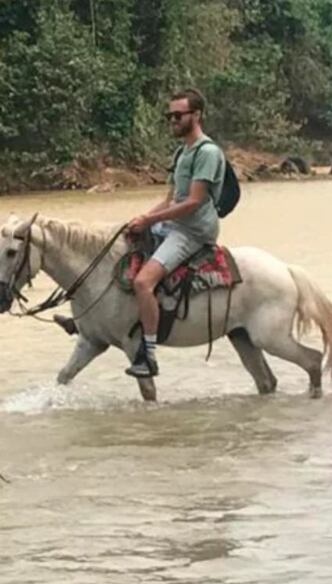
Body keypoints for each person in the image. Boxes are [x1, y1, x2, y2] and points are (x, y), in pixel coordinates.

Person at [126, 89, 227, 378]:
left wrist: (150, 220)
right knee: (125, 244)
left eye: (178, 115)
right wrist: (143, 218)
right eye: (169, 115)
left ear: (196, 115)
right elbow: (171, 199)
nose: (172, 120)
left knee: (144, 282)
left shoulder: (207, 152)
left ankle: (148, 354)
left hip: (192, 231)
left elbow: (192, 202)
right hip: (174, 223)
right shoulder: (182, 151)